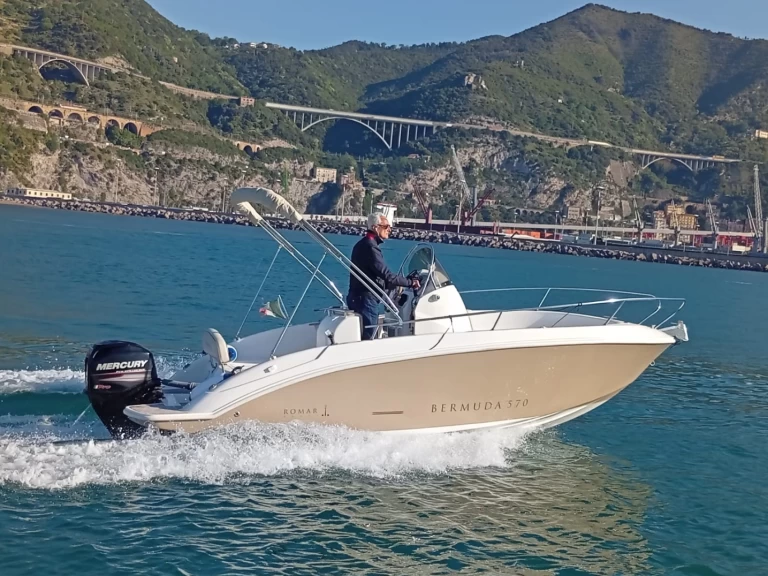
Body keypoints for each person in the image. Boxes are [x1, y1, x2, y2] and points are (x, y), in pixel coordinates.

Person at [347, 212, 420, 339]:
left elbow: (374, 274)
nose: (389, 229)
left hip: (357, 297)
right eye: (386, 227)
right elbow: (387, 276)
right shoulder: (371, 248)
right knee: (369, 339)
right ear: (375, 227)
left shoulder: (362, 244)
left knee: (365, 336)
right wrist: (410, 282)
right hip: (366, 300)